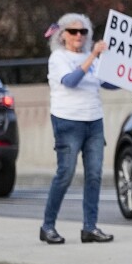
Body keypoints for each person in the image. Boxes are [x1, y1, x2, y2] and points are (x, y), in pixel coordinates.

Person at [41, 13, 115, 245]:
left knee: (94, 175)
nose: (79, 36)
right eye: (73, 31)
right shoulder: (58, 58)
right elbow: (71, 81)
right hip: (68, 121)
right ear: (62, 35)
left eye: (83, 31)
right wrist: (93, 56)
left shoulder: (91, 58)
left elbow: (109, 82)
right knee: (66, 173)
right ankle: (48, 226)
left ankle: (90, 227)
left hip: (94, 120)